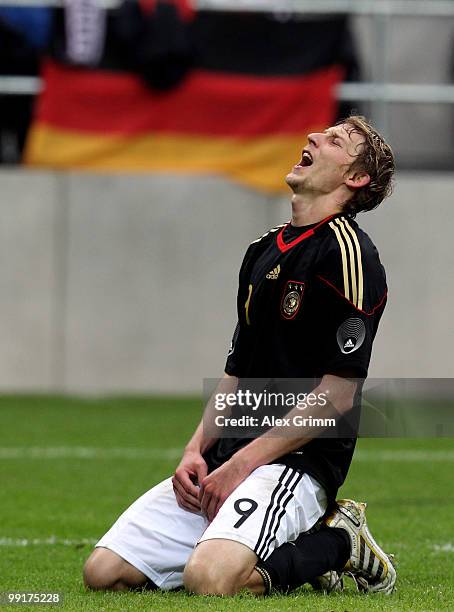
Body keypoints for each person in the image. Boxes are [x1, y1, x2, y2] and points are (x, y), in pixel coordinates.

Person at [83, 115, 396, 596]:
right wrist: (196, 449)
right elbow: (236, 372)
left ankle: (338, 541)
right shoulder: (263, 251)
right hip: (233, 452)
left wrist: (244, 464)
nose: (313, 136)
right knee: (103, 573)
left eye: (335, 141)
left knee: (210, 581)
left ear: (355, 179)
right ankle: (244, 538)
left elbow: (337, 397)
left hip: (297, 463)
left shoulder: (350, 257)